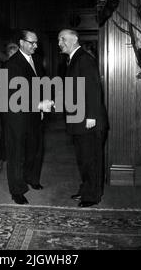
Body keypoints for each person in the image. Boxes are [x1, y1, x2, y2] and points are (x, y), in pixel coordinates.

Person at [58, 29, 109, 208]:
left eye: (62, 39)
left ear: (75, 39)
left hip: (89, 121)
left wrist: (91, 117)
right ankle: (86, 189)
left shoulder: (84, 59)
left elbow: (93, 88)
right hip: (79, 119)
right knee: (84, 159)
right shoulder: (74, 59)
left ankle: (92, 196)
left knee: (92, 160)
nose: (59, 43)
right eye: (59, 40)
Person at [3, 30, 53, 205]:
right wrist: (39, 105)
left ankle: (31, 178)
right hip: (17, 116)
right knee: (17, 153)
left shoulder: (36, 61)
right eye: (32, 43)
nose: (35, 46)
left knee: (35, 148)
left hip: (33, 115)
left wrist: (42, 102)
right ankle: (16, 190)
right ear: (22, 42)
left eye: (36, 43)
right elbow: (14, 96)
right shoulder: (12, 64)